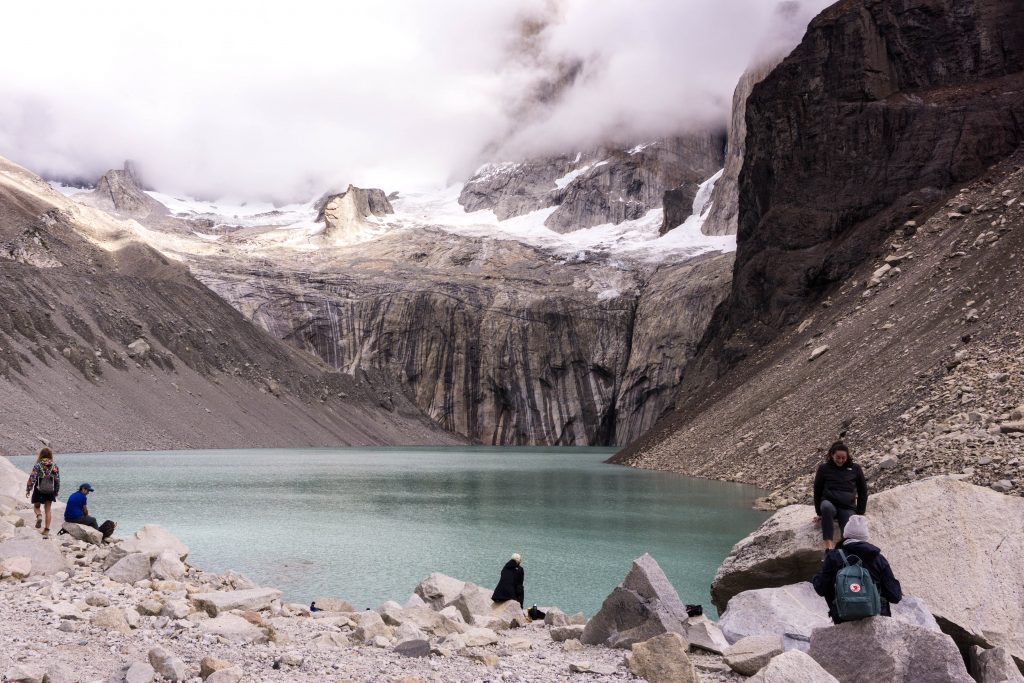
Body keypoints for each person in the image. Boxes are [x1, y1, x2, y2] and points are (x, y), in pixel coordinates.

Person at [812, 515, 902, 623]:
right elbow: (895, 596)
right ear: (865, 537)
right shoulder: (878, 558)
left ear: (846, 535)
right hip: (877, 619)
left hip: (843, 621)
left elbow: (821, 588)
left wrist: (816, 577)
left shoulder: (833, 557)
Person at [813, 441, 867, 550]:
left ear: (847, 457)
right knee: (826, 507)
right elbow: (817, 490)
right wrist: (819, 512)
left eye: (843, 458)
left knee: (848, 530)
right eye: (838, 457)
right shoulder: (824, 468)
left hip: (847, 507)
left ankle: (843, 552)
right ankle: (828, 546)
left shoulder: (855, 468)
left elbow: (863, 490)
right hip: (830, 503)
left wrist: (860, 512)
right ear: (832, 455)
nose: (840, 460)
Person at [25, 447, 60, 537]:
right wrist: (56, 491)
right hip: (50, 491)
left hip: (39, 489)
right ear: (50, 455)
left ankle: (39, 515)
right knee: (48, 510)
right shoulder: (54, 466)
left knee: (36, 507)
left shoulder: (38, 465)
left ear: (41, 455)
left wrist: (28, 489)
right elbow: (57, 480)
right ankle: (46, 530)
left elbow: (32, 478)